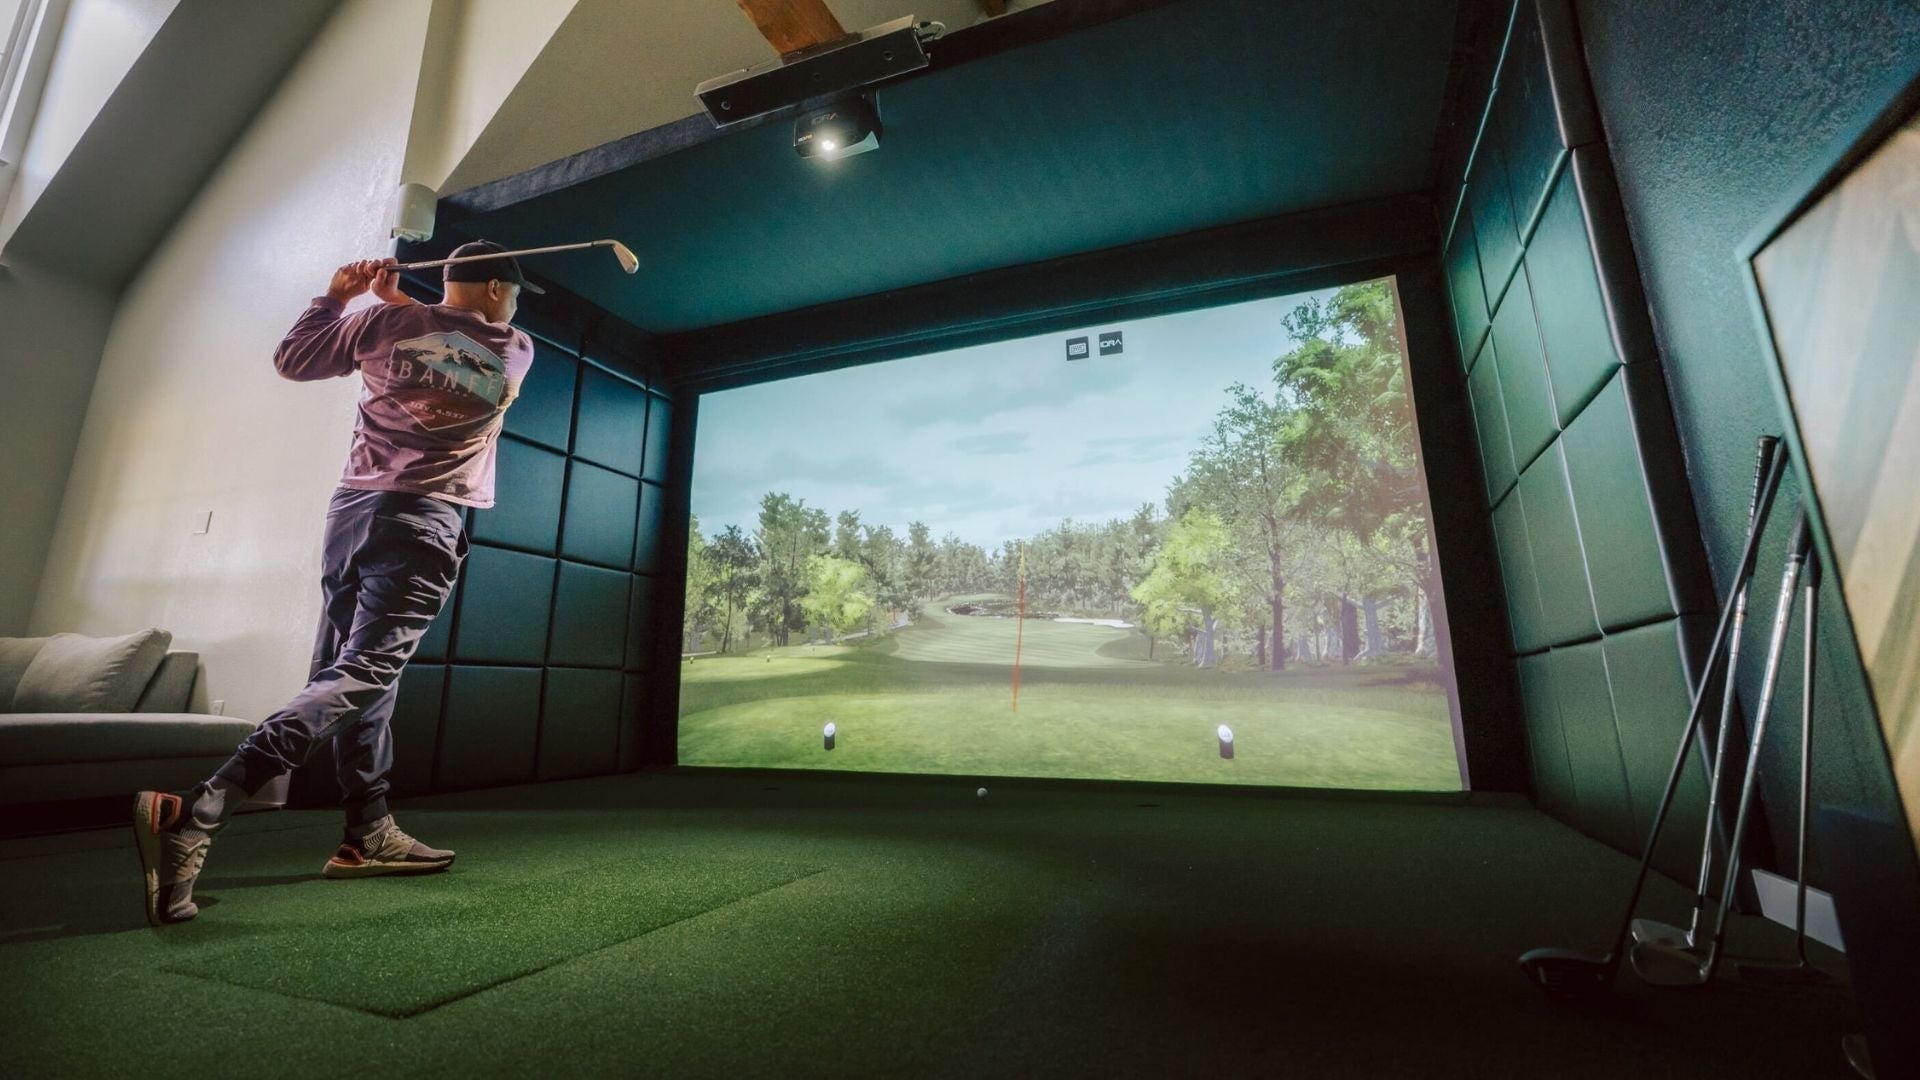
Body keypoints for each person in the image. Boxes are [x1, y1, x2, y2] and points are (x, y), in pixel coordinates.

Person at [132, 241, 539, 926]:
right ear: (499, 289)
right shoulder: (514, 347)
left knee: (357, 677)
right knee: (366, 673)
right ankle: (200, 809)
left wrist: (337, 297)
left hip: (352, 513)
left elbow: (294, 360)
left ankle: (367, 833)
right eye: (515, 294)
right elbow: (454, 338)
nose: (516, 306)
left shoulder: (381, 327)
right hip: (426, 518)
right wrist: (403, 304)